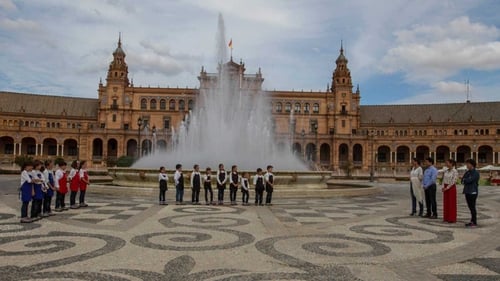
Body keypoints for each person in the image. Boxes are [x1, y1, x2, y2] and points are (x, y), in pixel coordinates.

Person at [462, 158, 480, 228]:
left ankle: (474, 222)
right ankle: (472, 221)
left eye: (468, 164)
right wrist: (466, 180)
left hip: (473, 191)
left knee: (472, 207)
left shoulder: (476, 173)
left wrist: (466, 180)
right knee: (470, 207)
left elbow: (470, 180)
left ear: (471, 164)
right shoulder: (467, 172)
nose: (466, 165)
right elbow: (462, 180)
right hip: (467, 191)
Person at [442, 159, 458, 223]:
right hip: (445, 187)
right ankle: (446, 217)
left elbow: (454, 180)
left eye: (447, 163)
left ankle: (451, 218)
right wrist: (443, 187)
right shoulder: (446, 171)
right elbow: (443, 179)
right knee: (446, 203)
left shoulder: (455, 171)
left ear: (451, 164)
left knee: (451, 203)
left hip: (451, 188)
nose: (446, 164)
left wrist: (447, 188)